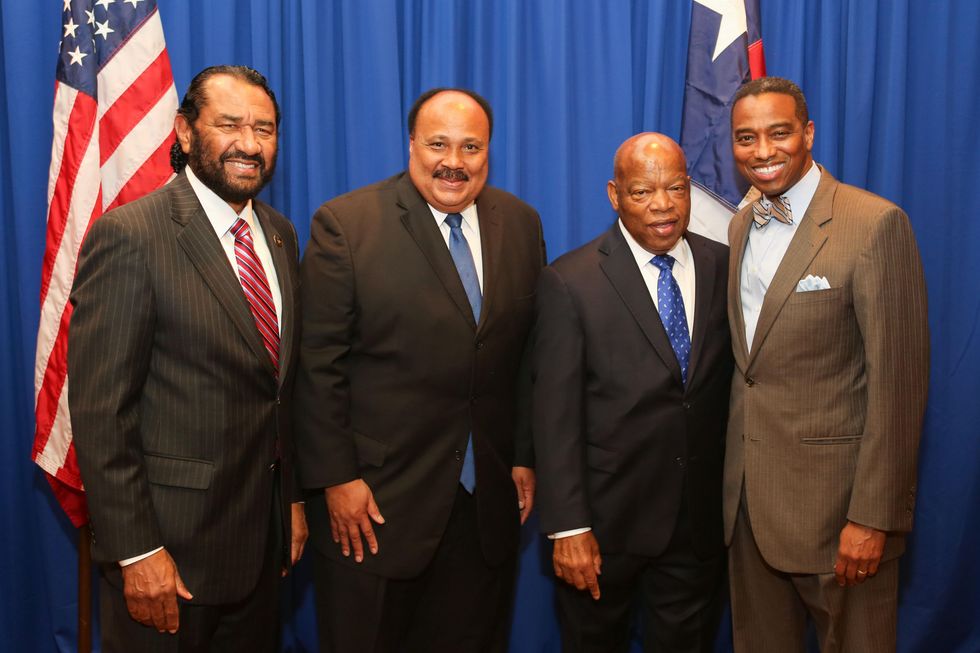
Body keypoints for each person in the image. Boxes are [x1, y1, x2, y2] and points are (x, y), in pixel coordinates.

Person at [295, 88, 545, 652]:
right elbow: (317, 366)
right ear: (411, 144)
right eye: (438, 143)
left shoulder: (521, 224)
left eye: (471, 146)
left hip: (484, 510)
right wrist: (337, 478)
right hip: (375, 508)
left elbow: (526, 355)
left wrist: (524, 454)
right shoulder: (347, 225)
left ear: (488, 153)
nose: (453, 161)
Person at [68, 65, 307, 652]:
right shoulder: (131, 235)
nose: (250, 144)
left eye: (265, 129)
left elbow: (278, 391)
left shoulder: (280, 234)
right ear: (182, 130)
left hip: (260, 550)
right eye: (229, 125)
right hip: (169, 559)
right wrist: (136, 551)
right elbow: (102, 414)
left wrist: (292, 500)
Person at [724, 76, 929, 652]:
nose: (762, 151)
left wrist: (874, 517)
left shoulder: (873, 225)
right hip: (748, 510)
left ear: (808, 134)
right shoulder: (741, 225)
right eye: (745, 137)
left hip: (841, 516)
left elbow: (899, 385)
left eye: (779, 133)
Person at [532, 133, 732, 652]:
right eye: (643, 192)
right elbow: (554, 417)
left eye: (676, 188)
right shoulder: (570, 282)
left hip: (699, 527)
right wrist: (568, 526)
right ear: (614, 195)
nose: (663, 205)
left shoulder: (724, 265)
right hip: (603, 529)